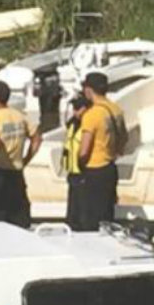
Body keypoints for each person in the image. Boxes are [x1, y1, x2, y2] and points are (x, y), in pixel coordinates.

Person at [0, 80, 41, 228]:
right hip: (16, 171)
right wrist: (26, 159)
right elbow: (37, 138)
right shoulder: (20, 116)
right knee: (19, 216)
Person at [75, 72, 128, 231]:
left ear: (89, 90)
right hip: (110, 167)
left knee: (91, 219)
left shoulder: (92, 115)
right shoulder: (115, 109)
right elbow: (124, 137)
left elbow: (84, 150)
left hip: (94, 169)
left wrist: (79, 164)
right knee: (107, 216)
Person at [63, 96, 92, 231]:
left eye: (77, 109)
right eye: (74, 109)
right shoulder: (73, 124)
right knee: (72, 207)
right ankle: (71, 225)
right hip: (72, 170)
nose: (75, 112)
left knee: (83, 209)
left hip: (84, 171)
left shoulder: (88, 125)